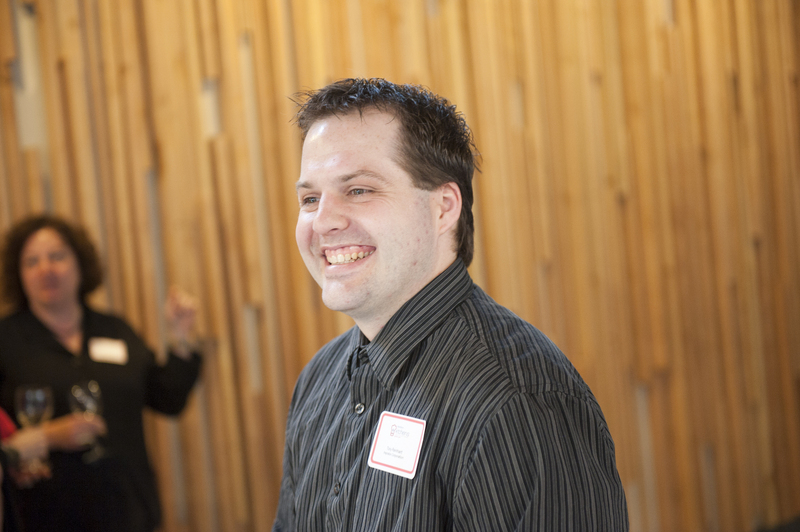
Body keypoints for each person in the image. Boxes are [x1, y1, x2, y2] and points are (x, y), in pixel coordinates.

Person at [273, 78, 629, 531]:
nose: (323, 221)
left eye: (359, 190)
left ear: (443, 207)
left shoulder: (517, 400)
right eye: (310, 199)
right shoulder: (319, 381)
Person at [0, 215, 202, 532]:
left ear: (80, 263)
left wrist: (181, 338)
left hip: (128, 512)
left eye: (57, 256)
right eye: (32, 261)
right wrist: (49, 436)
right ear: (18, 273)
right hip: (42, 514)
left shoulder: (114, 329)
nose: (46, 269)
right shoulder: (6, 340)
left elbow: (168, 397)